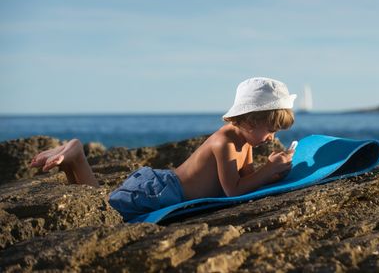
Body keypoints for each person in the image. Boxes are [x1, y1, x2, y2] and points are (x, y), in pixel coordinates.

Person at [30, 77, 297, 221]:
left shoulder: (245, 142)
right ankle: (76, 155)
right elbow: (233, 191)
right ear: (250, 120)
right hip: (159, 193)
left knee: (96, 207)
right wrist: (269, 169)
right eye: (271, 130)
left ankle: (73, 161)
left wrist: (273, 172)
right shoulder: (224, 142)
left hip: (164, 186)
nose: (273, 137)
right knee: (102, 213)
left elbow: (247, 179)